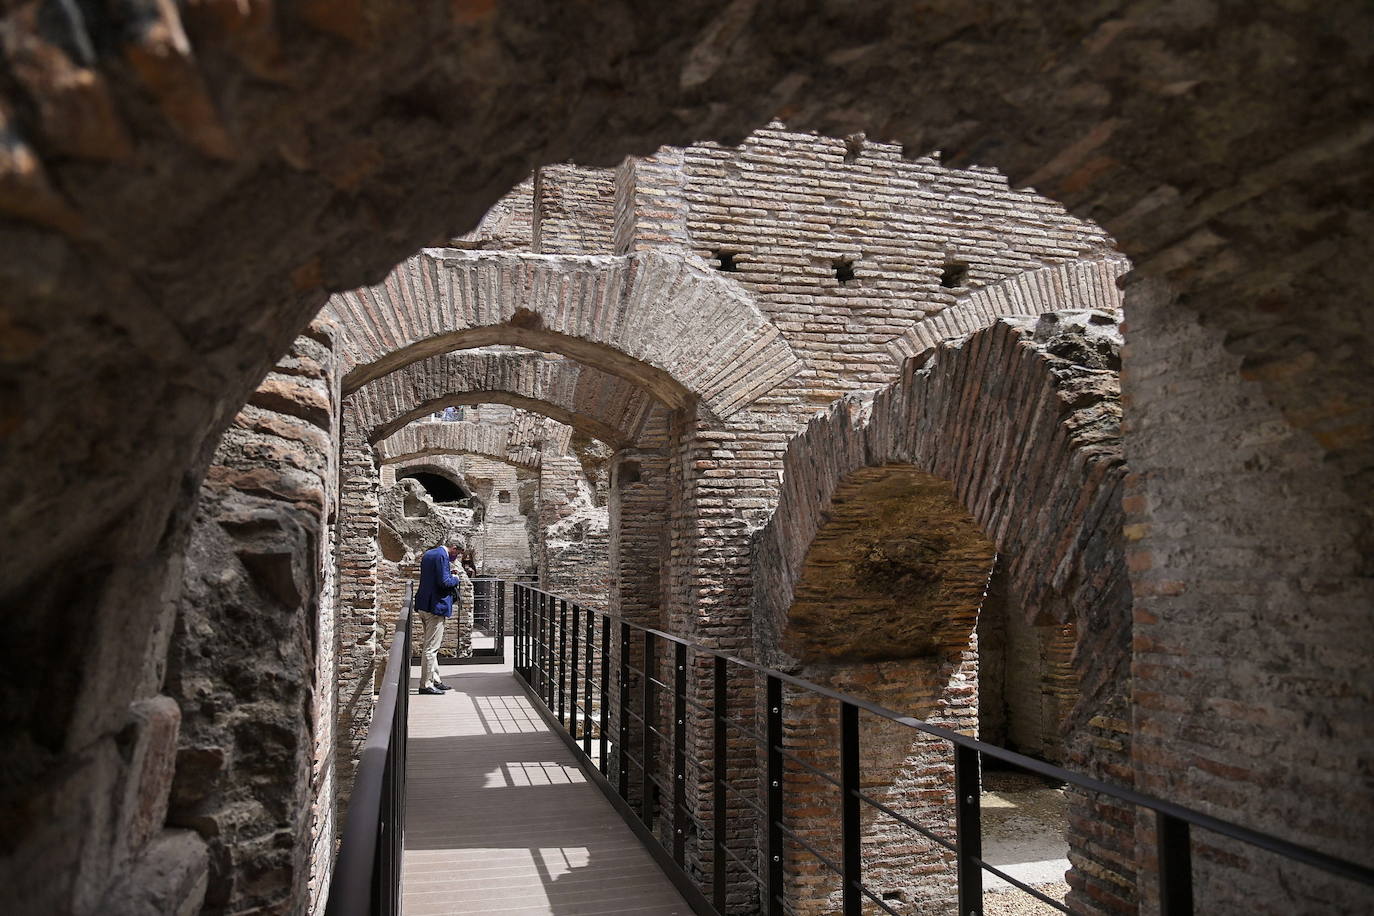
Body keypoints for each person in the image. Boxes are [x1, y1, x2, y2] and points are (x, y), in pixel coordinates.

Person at [415, 540, 462, 695]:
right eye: (458, 553)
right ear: (454, 548)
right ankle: (426, 684)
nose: (457, 557)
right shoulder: (442, 556)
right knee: (431, 648)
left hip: (423, 605)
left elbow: (433, 578)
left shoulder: (429, 553)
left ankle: (435, 680)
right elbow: (444, 582)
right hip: (435, 608)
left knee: (430, 646)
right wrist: (456, 579)